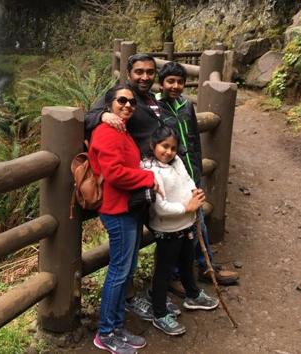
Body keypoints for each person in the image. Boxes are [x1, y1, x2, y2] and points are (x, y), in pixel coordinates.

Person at [154, 62, 239, 290]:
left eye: (180, 82)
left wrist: (198, 170)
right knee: (177, 228)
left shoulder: (185, 105)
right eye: (170, 81)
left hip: (191, 172)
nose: (175, 86)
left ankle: (205, 265)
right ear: (161, 83)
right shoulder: (156, 108)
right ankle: (174, 275)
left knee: (198, 222)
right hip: (172, 177)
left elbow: (193, 138)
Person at [89, 84, 157, 354]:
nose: (127, 105)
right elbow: (115, 173)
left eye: (131, 102)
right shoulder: (106, 132)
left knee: (126, 269)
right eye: (121, 101)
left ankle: (117, 327)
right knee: (118, 273)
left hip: (127, 208)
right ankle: (105, 333)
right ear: (109, 105)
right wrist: (150, 178)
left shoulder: (122, 130)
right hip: (116, 210)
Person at [142, 125, 219, 336]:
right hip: (167, 229)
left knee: (186, 262)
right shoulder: (150, 170)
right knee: (164, 271)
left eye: (173, 148)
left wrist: (195, 192)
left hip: (187, 224)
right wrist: (187, 207)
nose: (168, 152)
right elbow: (160, 208)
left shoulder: (176, 161)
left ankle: (192, 294)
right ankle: (159, 312)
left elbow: (186, 180)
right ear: (153, 145)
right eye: (164, 146)